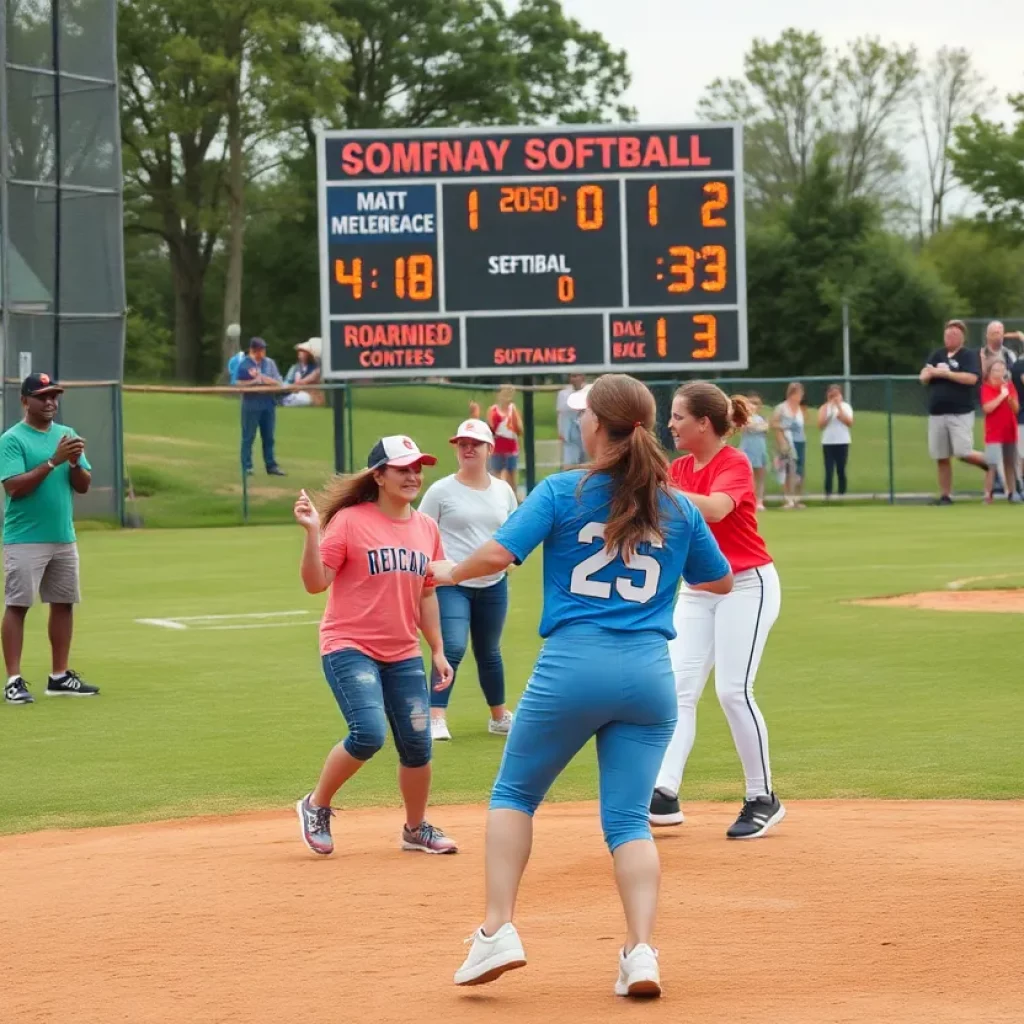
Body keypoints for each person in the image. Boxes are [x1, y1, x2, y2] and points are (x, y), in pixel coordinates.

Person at [434, 374, 733, 998]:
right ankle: (641, 953)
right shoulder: (672, 502)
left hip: (573, 664)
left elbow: (495, 557)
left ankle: (498, 930)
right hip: (650, 674)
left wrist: (446, 572)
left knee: (515, 794)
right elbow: (721, 580)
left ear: (596, 425)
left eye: (584, 415)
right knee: (628, 821)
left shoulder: (563, 489)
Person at [292, 435, 458, 856]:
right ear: (379, 475)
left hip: (403, 651)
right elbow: (316, 584)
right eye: (403, 468)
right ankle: (316, 805)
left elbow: (426, 593)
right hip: (349, 645)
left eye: (418, 467)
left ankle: (415, 828)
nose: (413, 475)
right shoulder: (349, 521)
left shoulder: (426, 528)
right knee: (367, 733)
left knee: (418, 745)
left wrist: (437, 649)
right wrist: (313, 533)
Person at [649, 381, 785, 840]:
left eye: (678, 416)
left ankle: (762, 796)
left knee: (733, 691)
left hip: (747, 584)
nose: (670, 424)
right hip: (698, 590)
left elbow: (716, 510)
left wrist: (660, 489)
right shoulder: (679, 468)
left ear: (704, 423)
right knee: (678, 690)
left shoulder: (734, 462)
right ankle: (664, 791)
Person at [1, 374, 99, 704]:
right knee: (17, 605)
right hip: (25, 537)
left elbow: (83, 485)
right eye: (42, 396)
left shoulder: (66, 435)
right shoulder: (12, 439)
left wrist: (73, 463)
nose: (50, 402)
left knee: (63, 603)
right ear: (25, 401)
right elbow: (14, 486)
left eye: (54, 396)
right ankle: (13, 680)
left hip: (62, 537)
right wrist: (53, 460)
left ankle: (59, 676)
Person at [418, 418, 518, 742]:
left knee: (490, 651)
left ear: (490, 448)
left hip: (493, 584)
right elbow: (420, 531)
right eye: (463, 444)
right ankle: (435, 717)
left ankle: (498, 716)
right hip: (451, 584)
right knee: (454, 646)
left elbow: (513, 534)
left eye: (475, 443)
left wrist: (509, 564)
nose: (468, 448)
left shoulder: (503, 490)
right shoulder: (440, 491)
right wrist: (430, 570)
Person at [920, 320, 986, 505]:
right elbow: (924, 376)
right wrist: (931, 373)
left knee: (963, 451)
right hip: (937, 413)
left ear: (962, 337)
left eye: (954, 334)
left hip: (960, 412)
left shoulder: (968, 355)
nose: (950, 337)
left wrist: (947, 374)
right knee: (941, 456)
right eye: (948, 334)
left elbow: (972, 378)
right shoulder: (937, 355)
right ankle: (946, 496)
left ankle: (994, 464)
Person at [233, 337, 286, 476]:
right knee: (248, 436)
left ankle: (271, 465)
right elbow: (238, 383)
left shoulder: (269, 363)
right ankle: (247, 466)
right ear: (253, 350)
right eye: (260, 350)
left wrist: (265, 380)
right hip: (251, 403)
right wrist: (253, 382)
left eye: (263, 349)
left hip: (268, 402)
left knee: (269, 436)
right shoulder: (244, 364)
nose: (263, 352)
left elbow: (279, 382)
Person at [980, 360, 1021, 504]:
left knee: (1009, 462)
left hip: (1009, 429)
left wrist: (1010, 399)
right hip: (994, 431)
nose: (1000, 373)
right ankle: (988, 494)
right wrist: (1001, 396)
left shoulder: (1009, 386)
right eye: (997, 370)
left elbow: (1016, 409)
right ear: (991, 372)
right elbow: (987, 408)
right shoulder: (986, 388)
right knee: (991, 464)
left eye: (1002, 370)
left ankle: (1012, 492)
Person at [771, 382, 806, 509]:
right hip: (786, 441)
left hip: (800, 441)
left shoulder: (801, 409)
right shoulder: (782, 408)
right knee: (787, 470)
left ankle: (797, 499)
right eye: (798, 393)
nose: (801, 396)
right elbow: (773, 423)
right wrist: (784, 429)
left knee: (799, 470)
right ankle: (788, 499)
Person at [818, 384, 854, 499]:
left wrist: (839, 408)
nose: (834, 397)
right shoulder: (824, 408)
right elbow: (820, 425)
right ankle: (828, 494)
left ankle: (842, 494)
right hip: (828, 442)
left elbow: (850, 423)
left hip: (842, 441)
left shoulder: (846, 407)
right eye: (831, 394)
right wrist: (829, 414)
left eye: (836, 394)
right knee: (829, 469)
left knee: (841, 469)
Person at [487, 386, 522, 492]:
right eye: (504, 393)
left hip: (511, 448)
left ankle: (514, 500)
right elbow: (491, 429)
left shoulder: (513, 409)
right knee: (496, 475)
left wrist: (514, 423)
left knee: (512, 477)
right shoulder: (493, 410)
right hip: (497, 448)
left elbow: (520, 429)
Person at [737, 392, 768, 511]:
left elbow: (765, 428)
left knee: (760, 476)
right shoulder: (744, 418)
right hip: (747, 449)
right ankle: (746, 500)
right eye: (751, 403)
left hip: (760, 448)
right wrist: (757, 427)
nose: (753, 406)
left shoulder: (761, 418)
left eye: (756, 404)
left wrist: (757, 427)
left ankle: (759, 501)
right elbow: (746, 427)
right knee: (747, 476)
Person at [556, 373, 587, 468]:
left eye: (576, 376)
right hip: (569, 434)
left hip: (586, 433)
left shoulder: (589, 392)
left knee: (585, 465)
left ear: (582, 377)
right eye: (572, 376)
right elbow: (560, 413)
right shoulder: (563, 394)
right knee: (570, 464)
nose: (574, 379)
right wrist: (560, 430)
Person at [281, 338, 323, 407]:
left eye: (303, 351)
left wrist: (298, 385)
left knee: (303, 398)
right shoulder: (295, 367)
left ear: (308, 354)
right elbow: (289, 382)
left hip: (310, 394)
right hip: (294, 391)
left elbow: (306, 381)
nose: (300, 353)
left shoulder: (315, 368)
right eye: (300, 351)